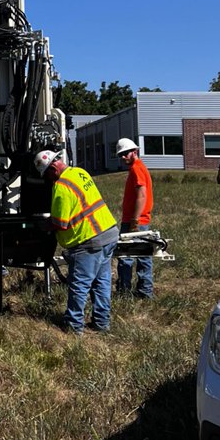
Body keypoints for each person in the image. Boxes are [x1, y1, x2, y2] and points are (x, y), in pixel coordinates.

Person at [34, 150, 119, 334]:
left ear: (54, 168)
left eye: (47, 174)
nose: (48, 179)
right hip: (109, 233)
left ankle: (74, 326)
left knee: (80, 285)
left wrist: (40, 226)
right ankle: (101, 323)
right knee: (102, 282)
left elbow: (60, 223)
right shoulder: (80, 172)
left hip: (89, 241)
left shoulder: (61, 187)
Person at [115, 137, 155, 299]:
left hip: (135, 222)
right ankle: (145, 291)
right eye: (121, 154)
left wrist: (134, 220)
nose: (123, 157)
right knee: (143, 256)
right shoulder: (139, 168)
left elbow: (141, 195)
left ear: (135, 152)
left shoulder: (136, 169)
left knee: (126, 257)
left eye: (126, 153)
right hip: (140, 220)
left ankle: (125, 291)